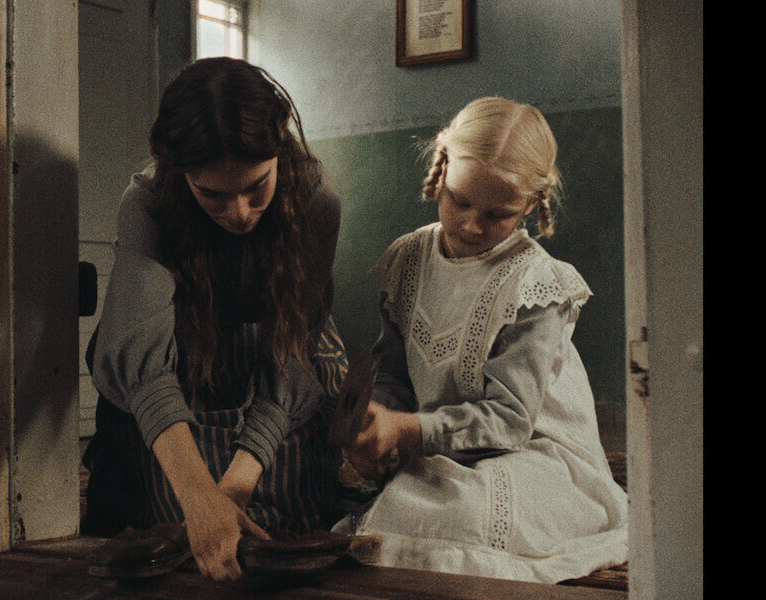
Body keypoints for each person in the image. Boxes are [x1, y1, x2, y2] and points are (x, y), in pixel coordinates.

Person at [334, 97, 628, 584]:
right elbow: (394, 371)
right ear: (442, 171)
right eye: (459, 200)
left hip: (531, 451)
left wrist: (407, 430)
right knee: (400, 502)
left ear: (530, 205)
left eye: (497, 214)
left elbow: (511, 421)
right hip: (443, 446)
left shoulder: (535, 285)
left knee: (465, 513)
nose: (472, 224)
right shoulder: (408, 259)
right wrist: (378, 423)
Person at [82, 57, 347, 582]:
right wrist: (198, 494)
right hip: (182, 364)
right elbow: (141, 363)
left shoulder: (317, 199)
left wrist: (233, 488)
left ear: (279, 150)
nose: (240, 212)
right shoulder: (147, 202)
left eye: (256, 186)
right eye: (213, 194)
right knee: (172, 516)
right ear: (182, 175)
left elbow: (293, 348)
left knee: (276, 512)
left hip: (282, 368)